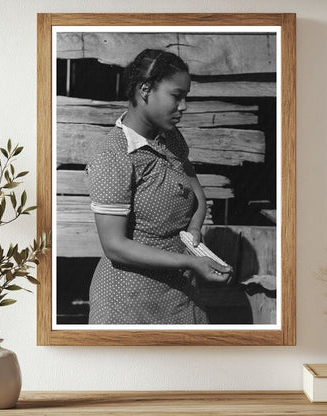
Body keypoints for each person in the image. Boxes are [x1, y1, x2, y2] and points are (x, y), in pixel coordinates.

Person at [85, 49, 231, 324]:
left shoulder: (171, 139)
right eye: (177, 96)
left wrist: (195, 235)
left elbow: (197, 196)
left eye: (186, 97)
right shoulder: (114, 155)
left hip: (178, 295)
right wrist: (189, 261)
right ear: (145, 89)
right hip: (127, 302)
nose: (184, 106)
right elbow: (114, 245)